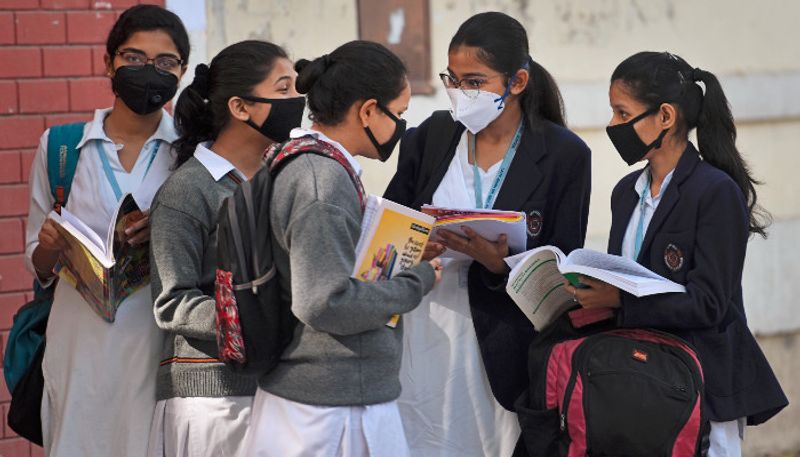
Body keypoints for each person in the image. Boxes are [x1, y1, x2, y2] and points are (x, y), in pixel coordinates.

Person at [383, 11, 592, 457]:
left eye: (474, 82)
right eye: (452, 80)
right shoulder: (430, 137)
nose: (460, 94)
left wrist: (501, 264)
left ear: (516, 82)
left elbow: (564, 267)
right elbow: (390, 227)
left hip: (503, 341)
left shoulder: (563, 155)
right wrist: (416, 246)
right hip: (424, 331)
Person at [565, 51, 788, 457]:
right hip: (638, 381)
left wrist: (619, 302)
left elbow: (709, 304)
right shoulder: (625, 193)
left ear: (665, 116)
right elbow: (627, 275)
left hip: (701, 387)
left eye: (621, 112)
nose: (613, 125)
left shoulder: (715, 192)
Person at [239, 40, 443, 457]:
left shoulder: (304, 163)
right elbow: (324, 302)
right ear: (368, 110)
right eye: (398, 114)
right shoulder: (321, 181)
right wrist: (415, 281)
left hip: (323, 400)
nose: (400, 128)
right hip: (328, 413)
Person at [23, 5, 189, 456]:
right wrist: (52, 247)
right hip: (79, 344)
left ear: (182, 71)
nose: (149, 71)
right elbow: (37, 263)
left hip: (159, 342)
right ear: (108, 63)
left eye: (165, 62)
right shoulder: (60, 148)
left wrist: (170, 228)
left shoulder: (190, 154)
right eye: (133, 58)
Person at [147, 40, 305, 457]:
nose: (298, 101)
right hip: (212, 403)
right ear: (240, 107)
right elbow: (172, 302)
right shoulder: (187, 191)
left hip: (281, 391)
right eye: (284, 88)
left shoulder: (289, 176)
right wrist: (250, 319)